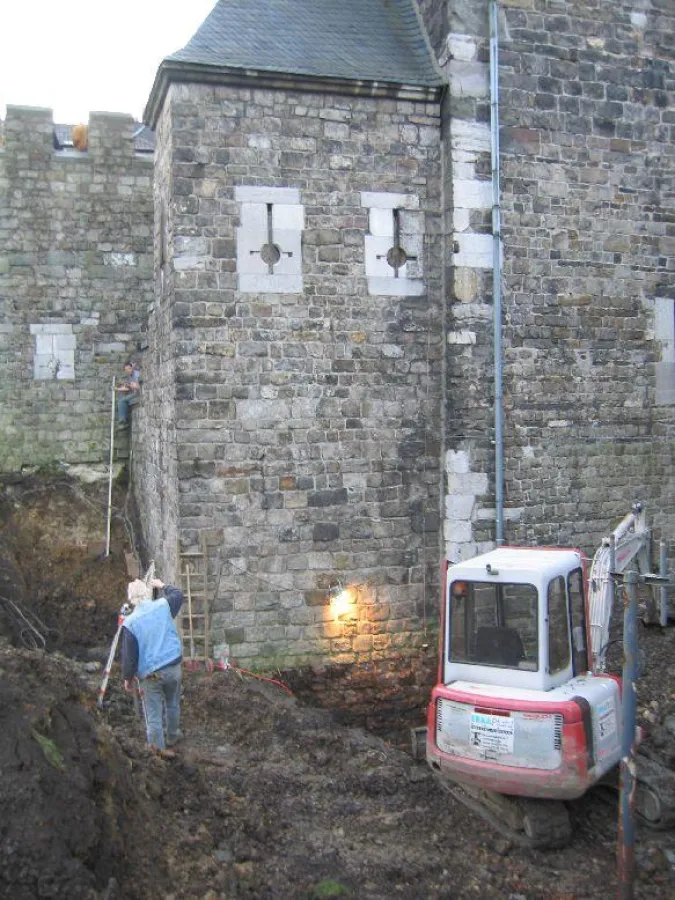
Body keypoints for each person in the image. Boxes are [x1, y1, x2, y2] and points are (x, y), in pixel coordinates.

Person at [121, 577, 184, 754]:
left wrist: (127, 678)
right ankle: (173, 735)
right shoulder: (163, 606)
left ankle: (158, 752)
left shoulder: (130, 623)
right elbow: (178, 594)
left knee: (153, 716)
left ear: (131, 599)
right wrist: (162, 585)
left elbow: (130, 657)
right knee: (173, 702)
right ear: (148, 593)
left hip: (151, 675)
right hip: (173, 666)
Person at [116, 361, 141, 428]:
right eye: (126, 370)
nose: (128, 371)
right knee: (121, 399)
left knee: (122, 401)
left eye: (129, 368)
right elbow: (127, 388)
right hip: (134, 393)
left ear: (132, 368)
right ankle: (123, 420)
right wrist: (117, 389)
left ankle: (123, 420)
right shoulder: (129, 376)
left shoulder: (136, 374)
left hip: (138, 393)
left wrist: (131, 386)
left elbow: (139, 387)